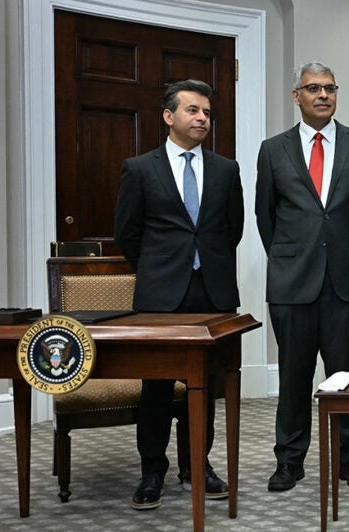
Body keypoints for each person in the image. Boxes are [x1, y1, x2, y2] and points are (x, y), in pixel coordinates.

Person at [114, 79, 243, 510]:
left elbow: (232, 230)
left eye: (207, 112)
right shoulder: (140, 168)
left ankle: (197, 465)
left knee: (203, 385)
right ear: (169, 117)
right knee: (156, 387)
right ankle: (153, 470)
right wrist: (161, 268)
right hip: (159, 297)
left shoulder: (226, 169)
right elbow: (128, 234)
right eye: (193, 110)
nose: (202, 118)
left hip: (212, 293)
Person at [255, 62, 349, 492]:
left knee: (347, 374)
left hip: (346, 280)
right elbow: (265, 218)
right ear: (297, 97)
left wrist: (342, 251)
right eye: (313, 88)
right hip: (293, 282)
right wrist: (296, 255)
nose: (323, 95)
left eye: (329, 88)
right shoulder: (273, 150)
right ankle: (289, 461)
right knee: (293, 375)